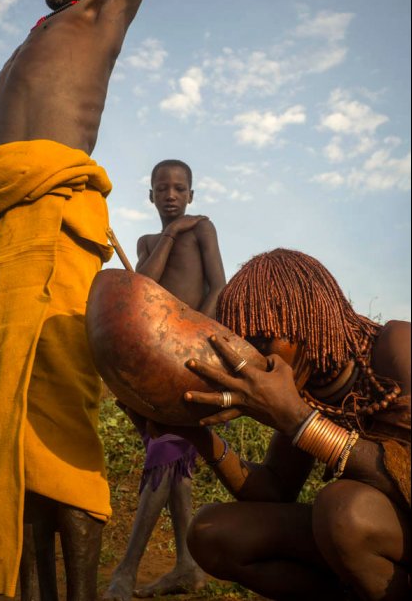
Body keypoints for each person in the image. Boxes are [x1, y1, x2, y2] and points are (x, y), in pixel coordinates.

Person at [0, 0, 190, 599]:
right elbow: (9, 151)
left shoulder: (104, 10)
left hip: (56, 233)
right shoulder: (27, 45)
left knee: (55, 431)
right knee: (5, 431)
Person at [151, 249, 410, 601]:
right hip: (368, 534)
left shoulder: (397, 345)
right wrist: (196, 434)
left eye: (264, 340)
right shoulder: (306, 389)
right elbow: (274, 488)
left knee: (344, 509)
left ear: (311, 322)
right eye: (247, 345)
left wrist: (297, 419)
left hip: (379, 527)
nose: (257, 359)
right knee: (214, 533)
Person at [103, 159, 226, 600]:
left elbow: (219, 286)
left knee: (166, 449)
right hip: (156, 362)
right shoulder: (150, 240)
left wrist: (195, 338)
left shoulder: (203, 229)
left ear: (191, 194)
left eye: (179, 188)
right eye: (162, 188)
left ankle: (125, 571)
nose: (171, 195)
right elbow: (142, 288)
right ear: (151, 195)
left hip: (194, 358)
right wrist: (170, 235)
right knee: (175, 463)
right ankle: (188, 568)